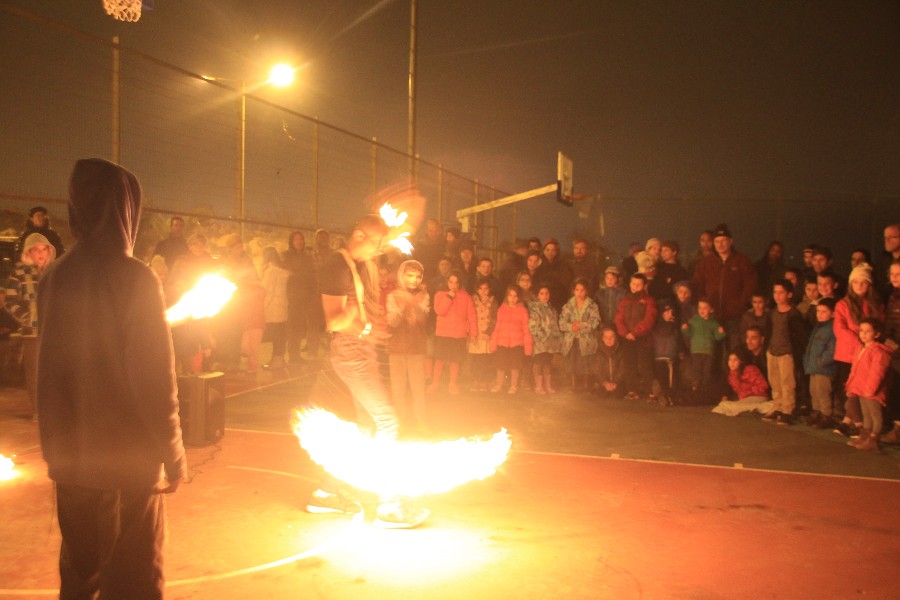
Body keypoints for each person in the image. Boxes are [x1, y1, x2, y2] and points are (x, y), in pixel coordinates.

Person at [37, 158, 186, 598]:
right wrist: (173, 451)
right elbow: (155, 380)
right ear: (126, 209)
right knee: (135, 577)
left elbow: (46, 370)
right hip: (127, 463)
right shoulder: (135, 277)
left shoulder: (54, 275)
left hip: (70, 459)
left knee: (80, 576)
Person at [305, 214, 427, 528]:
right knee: (387, 421)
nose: (378, 251)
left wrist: (369, 327)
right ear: (358, 236)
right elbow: (334, 320)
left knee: (367, 429)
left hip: (361, 350)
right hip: (351, 352)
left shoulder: (359, 265)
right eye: (375, 243)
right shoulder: (336, 265)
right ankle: (389, 505)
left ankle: (325, 492)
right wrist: (367, 325)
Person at [5, 232, 57, 419]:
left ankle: (55, 409)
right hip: (32, 332)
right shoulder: (19, 272)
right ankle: (38, 410)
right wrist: (26, 317)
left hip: (54, 332)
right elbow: (10, 300)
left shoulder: (55, 271)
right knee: (34, 372)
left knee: (55, 370)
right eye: (36, 250)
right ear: (29, 252)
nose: (40, 253)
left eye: (44, 249)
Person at [833, 264, 884, 435]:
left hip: (868, 353)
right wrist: (860, 342)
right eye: (855, 283)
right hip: (848, 354)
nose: (859, 286)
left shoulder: (875, 305)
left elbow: (879, 324)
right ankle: (854, 421)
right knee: (850, 388)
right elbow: (840, 328)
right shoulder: (843, 304)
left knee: (863, 388)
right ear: (850, 284)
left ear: (869, 285)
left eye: (863, 283)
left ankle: (854, 422)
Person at [691, 223, 756, 352]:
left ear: (731, 241)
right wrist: (704, 304)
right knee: (713, 352)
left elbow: (750, 284)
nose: (720, 245)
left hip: (734, 316)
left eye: (723, 241)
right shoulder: (707, 262)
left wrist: (740, 304)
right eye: (717, 241)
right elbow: (697, 283)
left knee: (734, 350)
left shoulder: (741, 261)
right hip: (712, 317)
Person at [386, 259, 430, 436]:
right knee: (398, 389)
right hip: (396, 349)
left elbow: (423, 319)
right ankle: (399, 423)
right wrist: (404, 303)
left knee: (418, 389)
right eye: (410, 275)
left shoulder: (424, 295)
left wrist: (412, 302)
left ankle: (422, 423)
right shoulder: (393, 295)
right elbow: (392, 322)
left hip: (416, 349)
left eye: (418, 276)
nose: (414, 279)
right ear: (401, 275)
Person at [761, 280, 808, 426]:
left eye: (781, 292)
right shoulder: (772, 313)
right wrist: (767, 349)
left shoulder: (793, 314)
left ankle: (788, 409)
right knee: (775, 382)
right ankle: (778, 406)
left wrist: (797, 353)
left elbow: (800, 336)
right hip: (773, 351)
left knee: (787, 383)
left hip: (787, 353)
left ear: (789, 294)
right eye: (775, 292)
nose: (777, 295)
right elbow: (768, 332)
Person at [844, 318, 893, 451]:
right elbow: (854, 369)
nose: (863, 334)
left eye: (868, 331)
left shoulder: (879, 352)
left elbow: (877, 373)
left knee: (875, 415)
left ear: (876, 334)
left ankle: (873, 438)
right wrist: (851, 385)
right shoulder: (860, 348)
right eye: (861, 331)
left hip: (872, 390)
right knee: (866, 414)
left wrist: (870, 390)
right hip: (861, 388)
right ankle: (865, 436)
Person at [429, 270, 476, 394]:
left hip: (458, 334)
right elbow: (440, 311)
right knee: (439, 359)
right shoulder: (439, 294)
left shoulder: (466, 296)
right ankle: (435, 383)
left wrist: (473, 333)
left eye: (456, 282)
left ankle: (453, 384)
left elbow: (471, 315)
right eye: (451, 282)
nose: (453, 285)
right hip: (443, 333)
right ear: (447, 282)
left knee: (455, 360)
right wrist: (449, 297)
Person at [614, 273, 658, 400]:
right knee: (629, 364)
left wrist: (635, 332)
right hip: (627, 338)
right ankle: (632, 390)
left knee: (645, 365)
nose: (635, 287)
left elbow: (649, 319)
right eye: (633, 284)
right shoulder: (625, 300)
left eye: (638, 285)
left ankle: (651, 391)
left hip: (644, 338)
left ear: (644, 286)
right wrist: (625, 333)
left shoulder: (649, 301)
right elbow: (619, 318)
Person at [559, 278, 601, 392]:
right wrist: (571, 326)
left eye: (582, 290)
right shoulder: (568, 305)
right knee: (572, 362)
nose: (579, 293)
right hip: (572, 339)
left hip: (586, 339)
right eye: (577, 290)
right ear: (573, 291)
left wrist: (581, 325)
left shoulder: (592, 305)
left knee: (585, 362)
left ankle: (585, 384)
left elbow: (595, 321)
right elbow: (562, 322)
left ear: (586, 291)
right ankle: (573, 384)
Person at [282, 230, 318, 363]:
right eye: (296, 239)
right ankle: (292, 354)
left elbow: (311, 275)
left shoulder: (307, 257)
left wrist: (312, 291)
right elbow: (288, 275)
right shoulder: (286, 256)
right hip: (292, 297)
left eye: (301, 239)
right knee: (292, 326)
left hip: (305, 297)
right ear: (291, 242)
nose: (299, 242)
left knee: (300, 327)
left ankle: (296, 354)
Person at [681, 298, 726, 402]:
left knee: (707, 371)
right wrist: (685, 328)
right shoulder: (694, 321)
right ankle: (695, 389)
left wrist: (721, 333)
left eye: (705, 308)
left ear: (711, 310)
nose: (702, 310)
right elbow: (689, 333)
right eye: (700, 308)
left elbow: (717, 337)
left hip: (708, 351)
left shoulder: (713, 323)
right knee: (697, 370)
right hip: (696, 350)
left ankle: (705, 390)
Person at [489, 285, 533, 393]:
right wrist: (493, 342)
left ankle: (513, 386)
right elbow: (497, 327)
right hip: (502, 343)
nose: (512, 299)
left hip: (517, 343)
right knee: (501, 365)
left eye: (515, 296)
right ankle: (499, 384)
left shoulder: (522, 311)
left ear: (519, 298)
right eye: (510, 296)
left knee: (515, 366)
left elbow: (526, 329)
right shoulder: (501, 309)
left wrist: (528, 347)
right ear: (506, 296)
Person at [803, 298, 837, 429]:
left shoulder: (832, 329)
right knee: (814, 391)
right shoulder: (818, 327)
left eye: (824, 312)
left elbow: (832, 350)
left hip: (824, 369)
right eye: (818, 311)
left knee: (823, 393)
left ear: (832, 313)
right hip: (813, 367)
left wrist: (821, 361)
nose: (820, 314)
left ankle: (826, 416)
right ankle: (816, 413)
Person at [712, 352, 773, 417]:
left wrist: (749, 392)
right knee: (724, 405)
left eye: (735, 360)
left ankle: (762, 407)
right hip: (745, 399)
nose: (732, 363)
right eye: (730, 360)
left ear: (741, 361)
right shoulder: (731, 375)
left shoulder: (750, 369)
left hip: (758, 396)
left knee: (729, 406)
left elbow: (763, 385)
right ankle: (754, 409)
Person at [879, 259, 900, 443]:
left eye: (898, 274)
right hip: (893, 351)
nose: (894, 278)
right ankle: (896, 429)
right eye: (892, 274)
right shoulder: (893, 296)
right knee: (894, 391)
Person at [528, 284, 562, 394]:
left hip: (550, 343)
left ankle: (547, 385)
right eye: (542, 293)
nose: (545, 296)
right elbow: (533, 326)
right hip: (539, 342)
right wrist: (542, 338)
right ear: (537, 295)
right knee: (538, 363)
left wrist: (556, 340)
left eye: (547, 293)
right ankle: (538, 386)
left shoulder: (552, 309)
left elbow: (555, 326)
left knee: (547, 363)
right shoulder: (534, 309)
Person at [261, 246, 291, 369]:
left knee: (273, 335)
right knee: (280, 335)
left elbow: (267, 292)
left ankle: (276, 361)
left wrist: (262, 308)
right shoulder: (283, 271)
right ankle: (279, 359)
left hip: (272, 309)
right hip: (283, 307)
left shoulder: (270, 272)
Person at [468, 280, 497, 392]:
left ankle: (483, 380)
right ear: (477, 289)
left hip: (486, 334)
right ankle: (475, 380)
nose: (483, 291)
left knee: (485, 358)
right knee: (475, 358)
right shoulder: (472, 299)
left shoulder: (493, 301)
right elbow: (470, 316)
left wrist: (489, 332)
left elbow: (494, 318)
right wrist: (471, 332)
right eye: (481, 288)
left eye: (486, 288)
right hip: (475, 333)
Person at [652, 299, 681, 406]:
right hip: (661, 356)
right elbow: (664, 333)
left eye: (671, 312)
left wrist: (681, 351)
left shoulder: (674, 325)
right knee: (663, 379)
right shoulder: (660, 325)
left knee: (671, 380)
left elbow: (678, 340)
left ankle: (669, 396)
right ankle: (664, 396)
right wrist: (672, 324)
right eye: (667, 312)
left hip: (671, 357)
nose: (670, 315)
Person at [595, 326, 626, 398]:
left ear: (615, 338)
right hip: (604, 383)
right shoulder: (599, 352)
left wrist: (615, 382)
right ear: (602, 339)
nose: (609, 340)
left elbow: (622, 369)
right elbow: (597, 370)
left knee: (618, 395)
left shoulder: (620, 351)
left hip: (618, 383)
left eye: (612, 337)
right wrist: (605, 383)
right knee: (601, 395)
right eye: (606, 337)